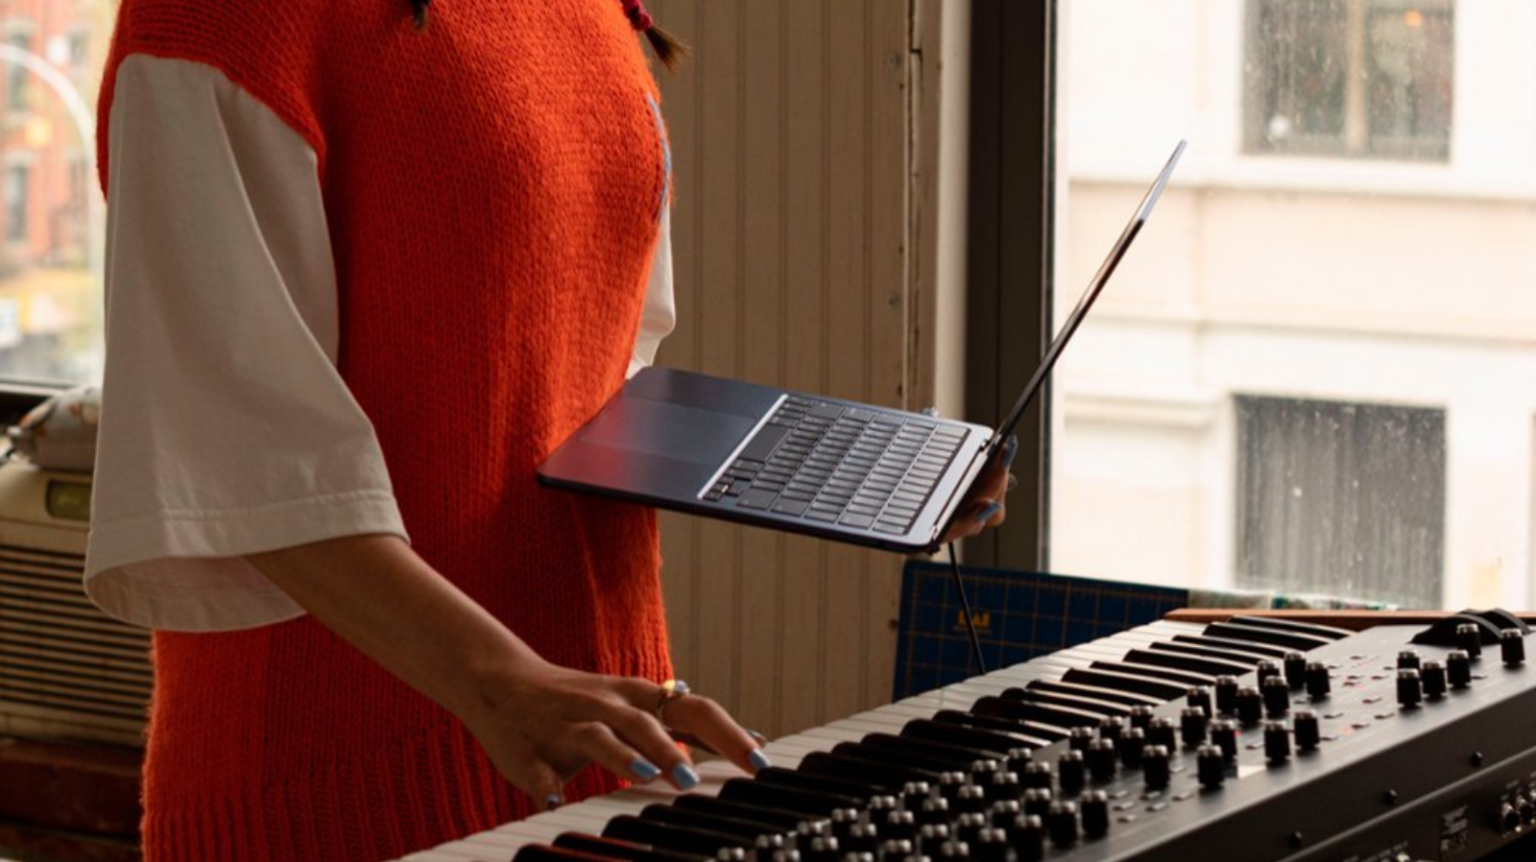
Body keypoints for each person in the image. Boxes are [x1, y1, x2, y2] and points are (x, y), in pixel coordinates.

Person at [83, 0, 1013, 859]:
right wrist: (502, 682)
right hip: (345, 781)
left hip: (600, 735)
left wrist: (854, 467)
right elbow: (228, 451)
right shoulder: (215, 17)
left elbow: (595, 365)